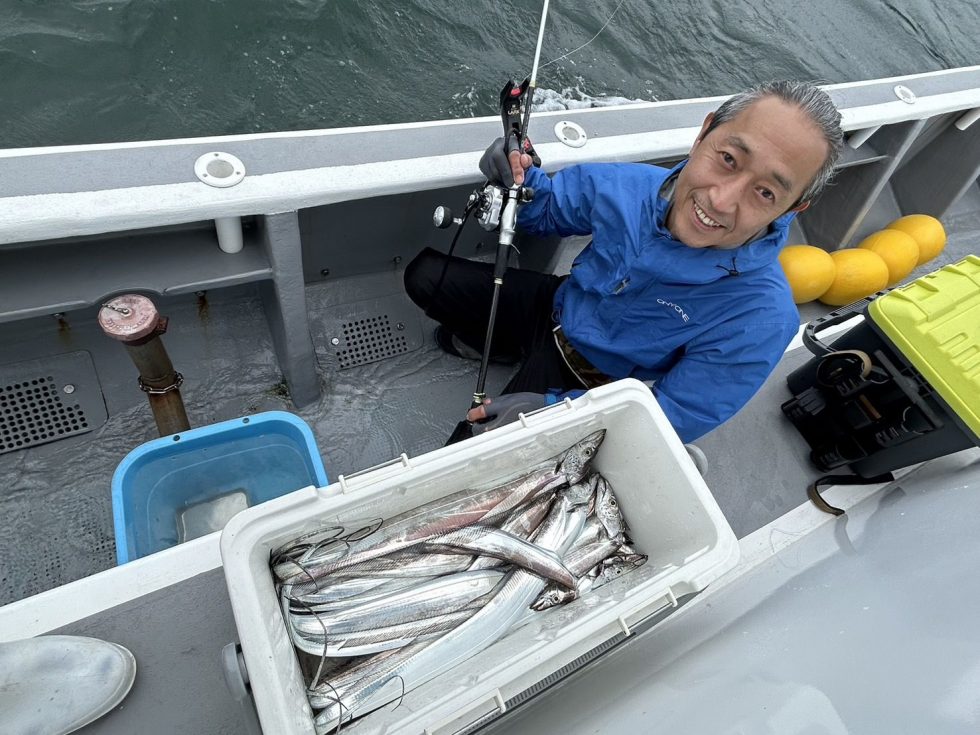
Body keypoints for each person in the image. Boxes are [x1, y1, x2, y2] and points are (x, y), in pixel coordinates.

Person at [404, 80, 844, 443]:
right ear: (704, 132)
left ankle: (518, 370)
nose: (722, 200)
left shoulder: (762, 317)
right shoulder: (626, 186)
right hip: (556, 310)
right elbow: (545, 208)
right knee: (424, 276)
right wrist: (513, 168)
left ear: (793, 208)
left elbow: (674, 416)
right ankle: (503, 348)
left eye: (766, 193)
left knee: (466, 451)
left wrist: (559, 412)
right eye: (728, 159)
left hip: (595, 384)